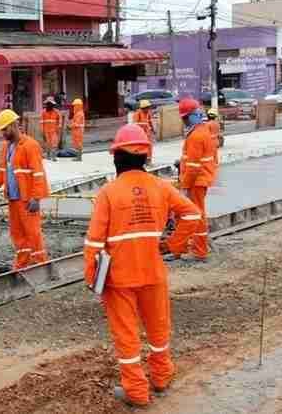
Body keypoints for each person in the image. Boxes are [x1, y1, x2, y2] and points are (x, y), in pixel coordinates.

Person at [84, 124, 201, 407]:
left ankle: (136, 392)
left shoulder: (108, 193)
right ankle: (161, 377)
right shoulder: (161, 187)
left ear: (116, 158)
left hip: (119, 278)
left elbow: (94, 243)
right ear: (145, 157)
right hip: (153, 272)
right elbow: (192, 214)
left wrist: (92, 279)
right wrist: (171, 245)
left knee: (127, 335)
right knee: (159, 328)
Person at [0, 109, 49, 269]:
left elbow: (38, 173)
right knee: (17, 233)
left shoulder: (30, 145)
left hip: (27, 199)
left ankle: (41, 265)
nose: (3, 133)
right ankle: (23, 264)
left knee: (33, 233)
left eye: (4, 129)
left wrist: (36, 198)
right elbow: (2, 169)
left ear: (13, 125)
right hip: (13, 198)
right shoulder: (6, 146)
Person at [178, 98, 218, 262]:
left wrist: (184, 186)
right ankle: (197, 247)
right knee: (198, 213)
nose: (184, 121)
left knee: (196, 214)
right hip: (201, 179)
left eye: (186, 118)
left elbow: (193, 166)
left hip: (196, 181)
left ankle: (199, 251)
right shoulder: (203, 131)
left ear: (194, 116)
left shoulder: (196, 136)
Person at [40, 97, 62, 161]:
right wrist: (42, 131)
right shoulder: (43, 112)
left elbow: (59, 120)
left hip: (54, 130)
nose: (49, 105)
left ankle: (53, 156)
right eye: (48, 104)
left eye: (50, 104)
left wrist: (59, 127)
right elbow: (41, 122)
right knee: (48, 144)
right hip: (46, 131)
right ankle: (48, 155)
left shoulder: (56, 112)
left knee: (54, 143)